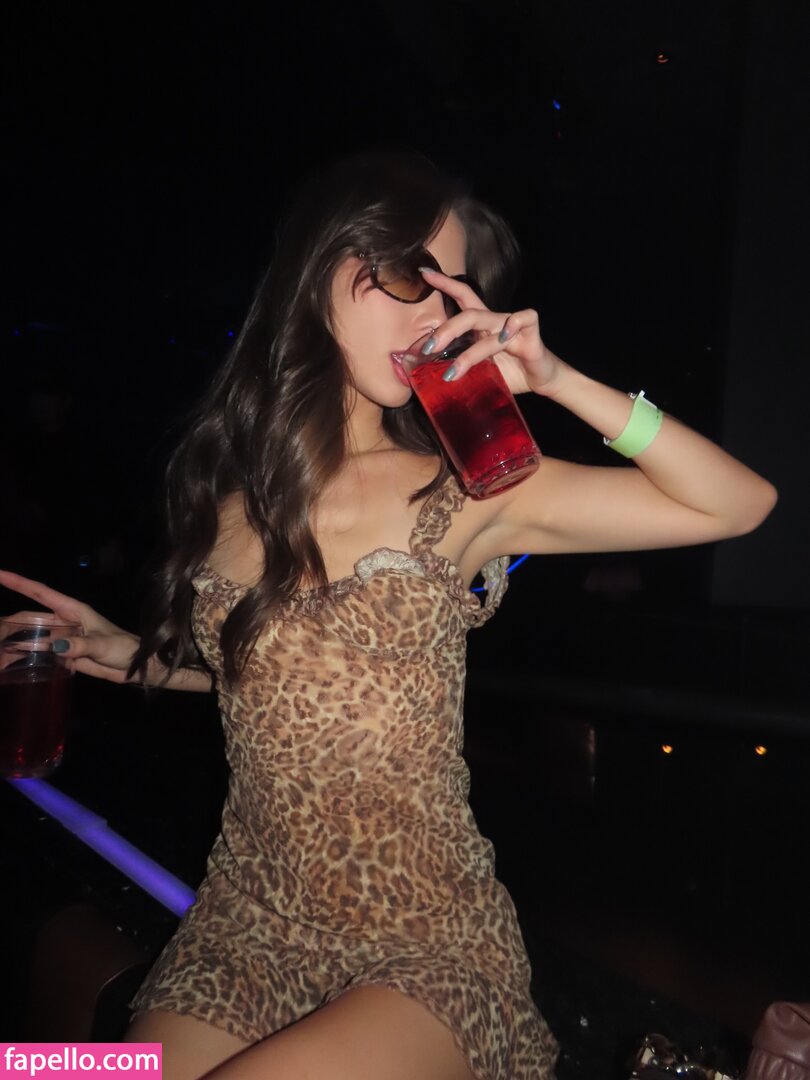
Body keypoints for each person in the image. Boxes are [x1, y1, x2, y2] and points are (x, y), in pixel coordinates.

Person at [0, 149, 777, 1080]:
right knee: (78, 1073)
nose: (433, 315)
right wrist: (131, 652)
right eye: (412, 276)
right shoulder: (229, 500)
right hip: (250, 923)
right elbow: (278, 686)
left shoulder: (471, 490)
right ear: (323, 263)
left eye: (450, 294)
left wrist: (560, 380)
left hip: (422, 940)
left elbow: (739, 504)